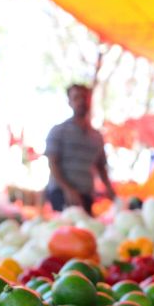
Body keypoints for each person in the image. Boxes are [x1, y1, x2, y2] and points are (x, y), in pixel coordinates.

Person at [45, 84, 115, 214]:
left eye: (84, 97)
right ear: (69, 102)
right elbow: (53, 164)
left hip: (86, 196)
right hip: (61, 194)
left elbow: (101, 167)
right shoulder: (58, 132)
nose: (81, 101)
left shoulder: (97, 136)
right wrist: (68, 190)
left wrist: (110, 191)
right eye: (76, 98)